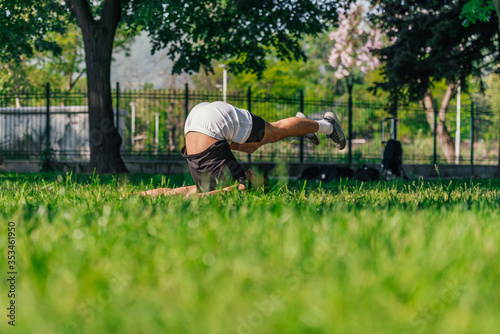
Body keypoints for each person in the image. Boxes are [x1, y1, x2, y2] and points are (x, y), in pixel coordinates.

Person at [140, 101, 346, 197]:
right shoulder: (228, 182)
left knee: (266, 137)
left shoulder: (225, 183)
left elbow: (181, 193)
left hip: (207, 124)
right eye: (260, 177)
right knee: (260, 142)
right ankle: (312, 126)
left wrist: (141, 196)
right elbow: (186, 193)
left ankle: (313, 125)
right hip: (201, 124)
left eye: (259, 177)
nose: (251, 172)